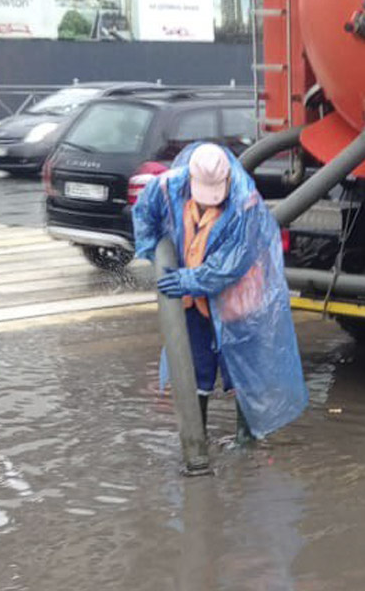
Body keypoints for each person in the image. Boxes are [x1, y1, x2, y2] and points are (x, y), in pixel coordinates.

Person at [132, 142, 308, 440]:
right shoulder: (166, 188)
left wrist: (191, 279)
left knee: (242, 369)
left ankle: (245, 440)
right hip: (192, 300)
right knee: (194, 367)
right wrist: (156, 255)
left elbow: (232, 263)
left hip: (236, 302)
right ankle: (196, 440)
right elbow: (144, 218)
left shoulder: (245, 203)